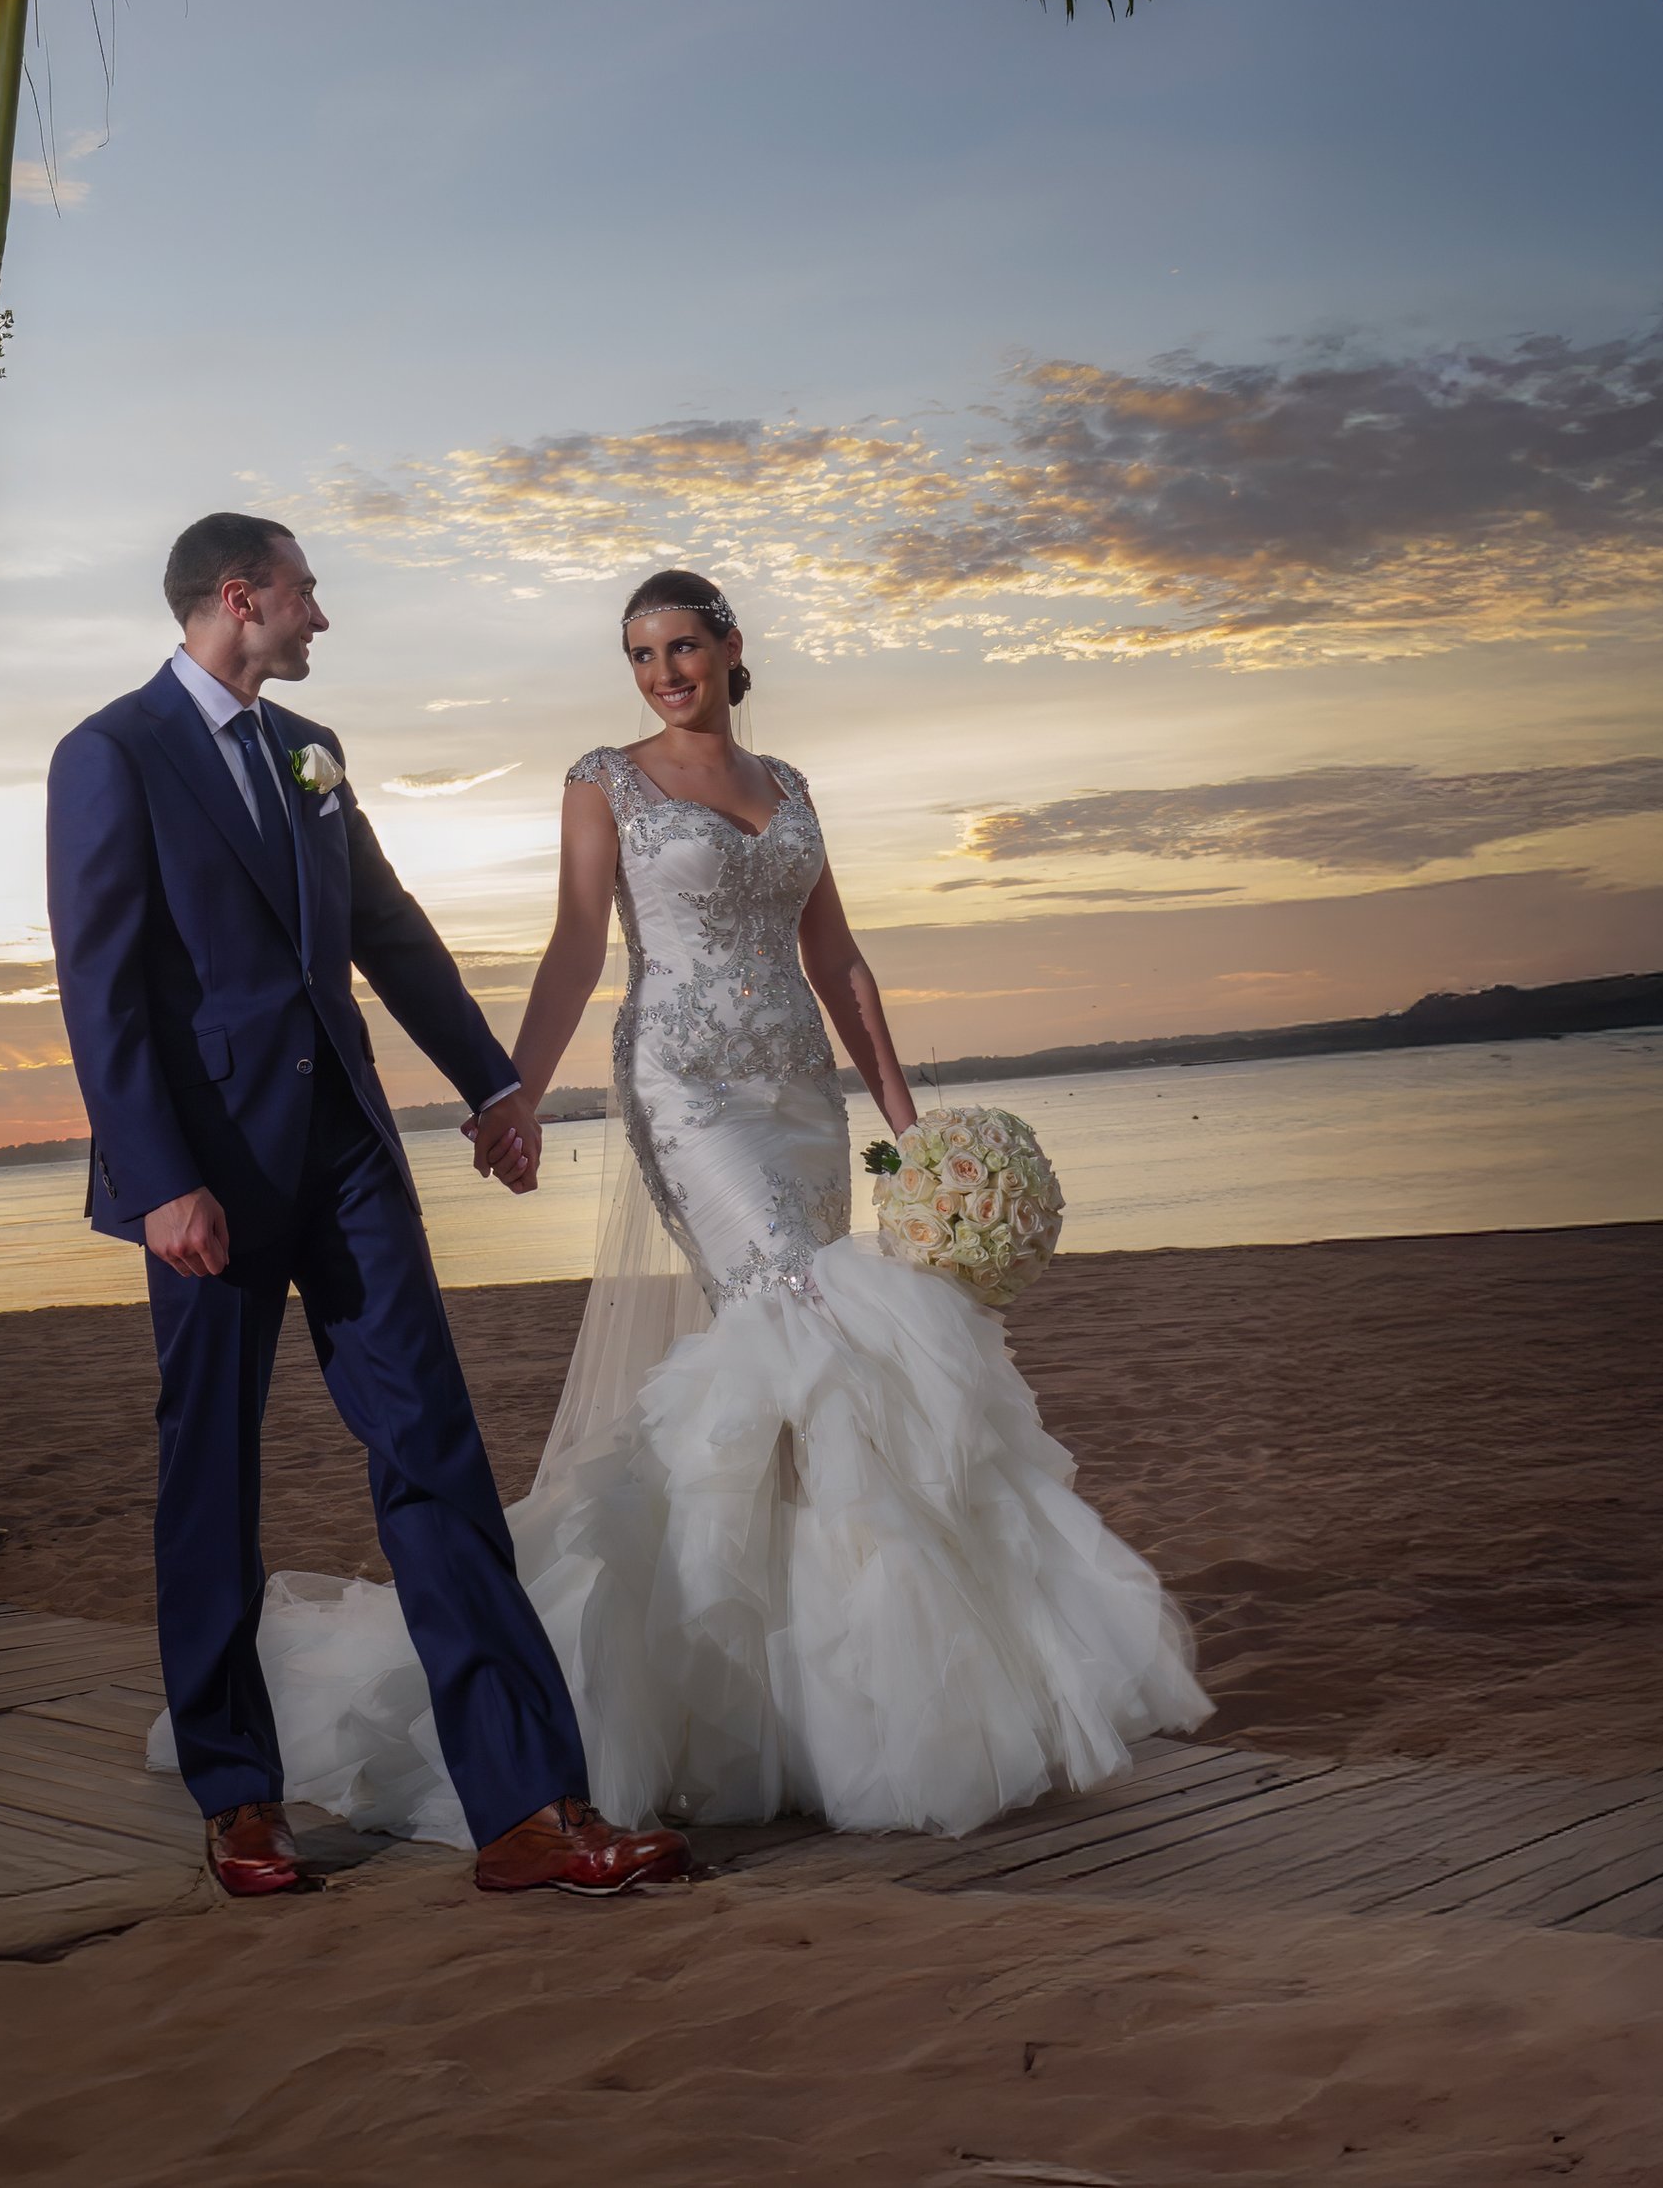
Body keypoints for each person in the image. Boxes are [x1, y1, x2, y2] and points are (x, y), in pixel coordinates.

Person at [246, 569, 1211, 1844]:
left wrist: (909, 1128)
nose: (661, 673)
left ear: (729, 646)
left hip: (805, 1095)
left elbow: (839, 958)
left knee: (820, 1364)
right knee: (803, 1319)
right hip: (687, 1090)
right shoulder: (605, 780)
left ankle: (817, 1693)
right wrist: (511, 1096)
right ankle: (762, 1682)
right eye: (641, 653)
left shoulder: (791, 789)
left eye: (682, 646)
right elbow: (577, 945)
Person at [44, 512, 691, 1899]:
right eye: (302, 594)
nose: (318, 616)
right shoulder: (109, 755)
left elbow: (388, 931)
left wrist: (496, 1086)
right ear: (239, 599)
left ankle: (530, 1807)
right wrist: (159, 1180)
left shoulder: (304, 757)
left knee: (435, 1455)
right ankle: (239, 1795)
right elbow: (99, 990)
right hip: (206, 1179)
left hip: (345, 1159)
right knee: (209, 1474)